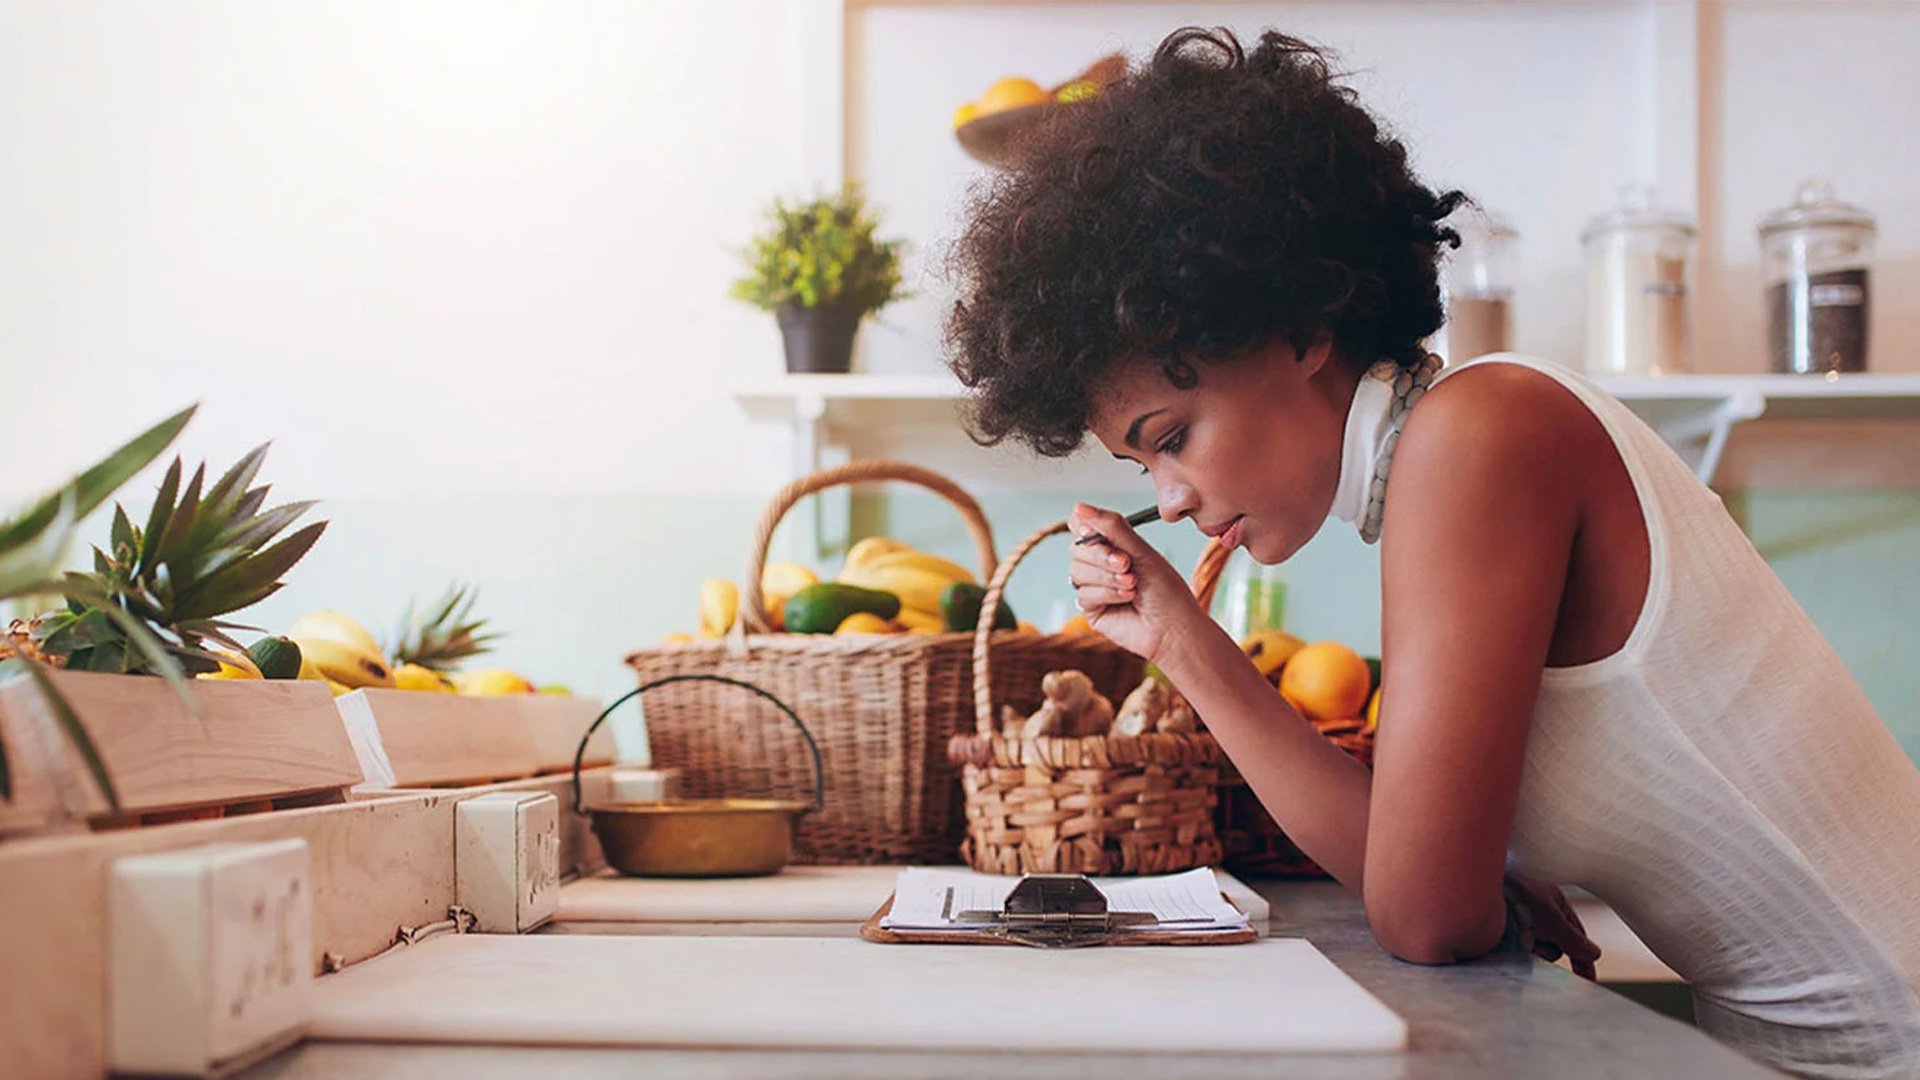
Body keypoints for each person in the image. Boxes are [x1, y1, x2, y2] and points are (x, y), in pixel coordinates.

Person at [943, 26, 1920, 1079]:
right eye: (1145, 470)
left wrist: (1195, 651)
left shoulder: (1480, 437)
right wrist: (1180, 640)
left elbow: (1424, 914)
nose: (1172, 503)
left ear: (1301, 332)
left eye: (1172, 438)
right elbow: (1432, 873)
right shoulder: (1448, 453)